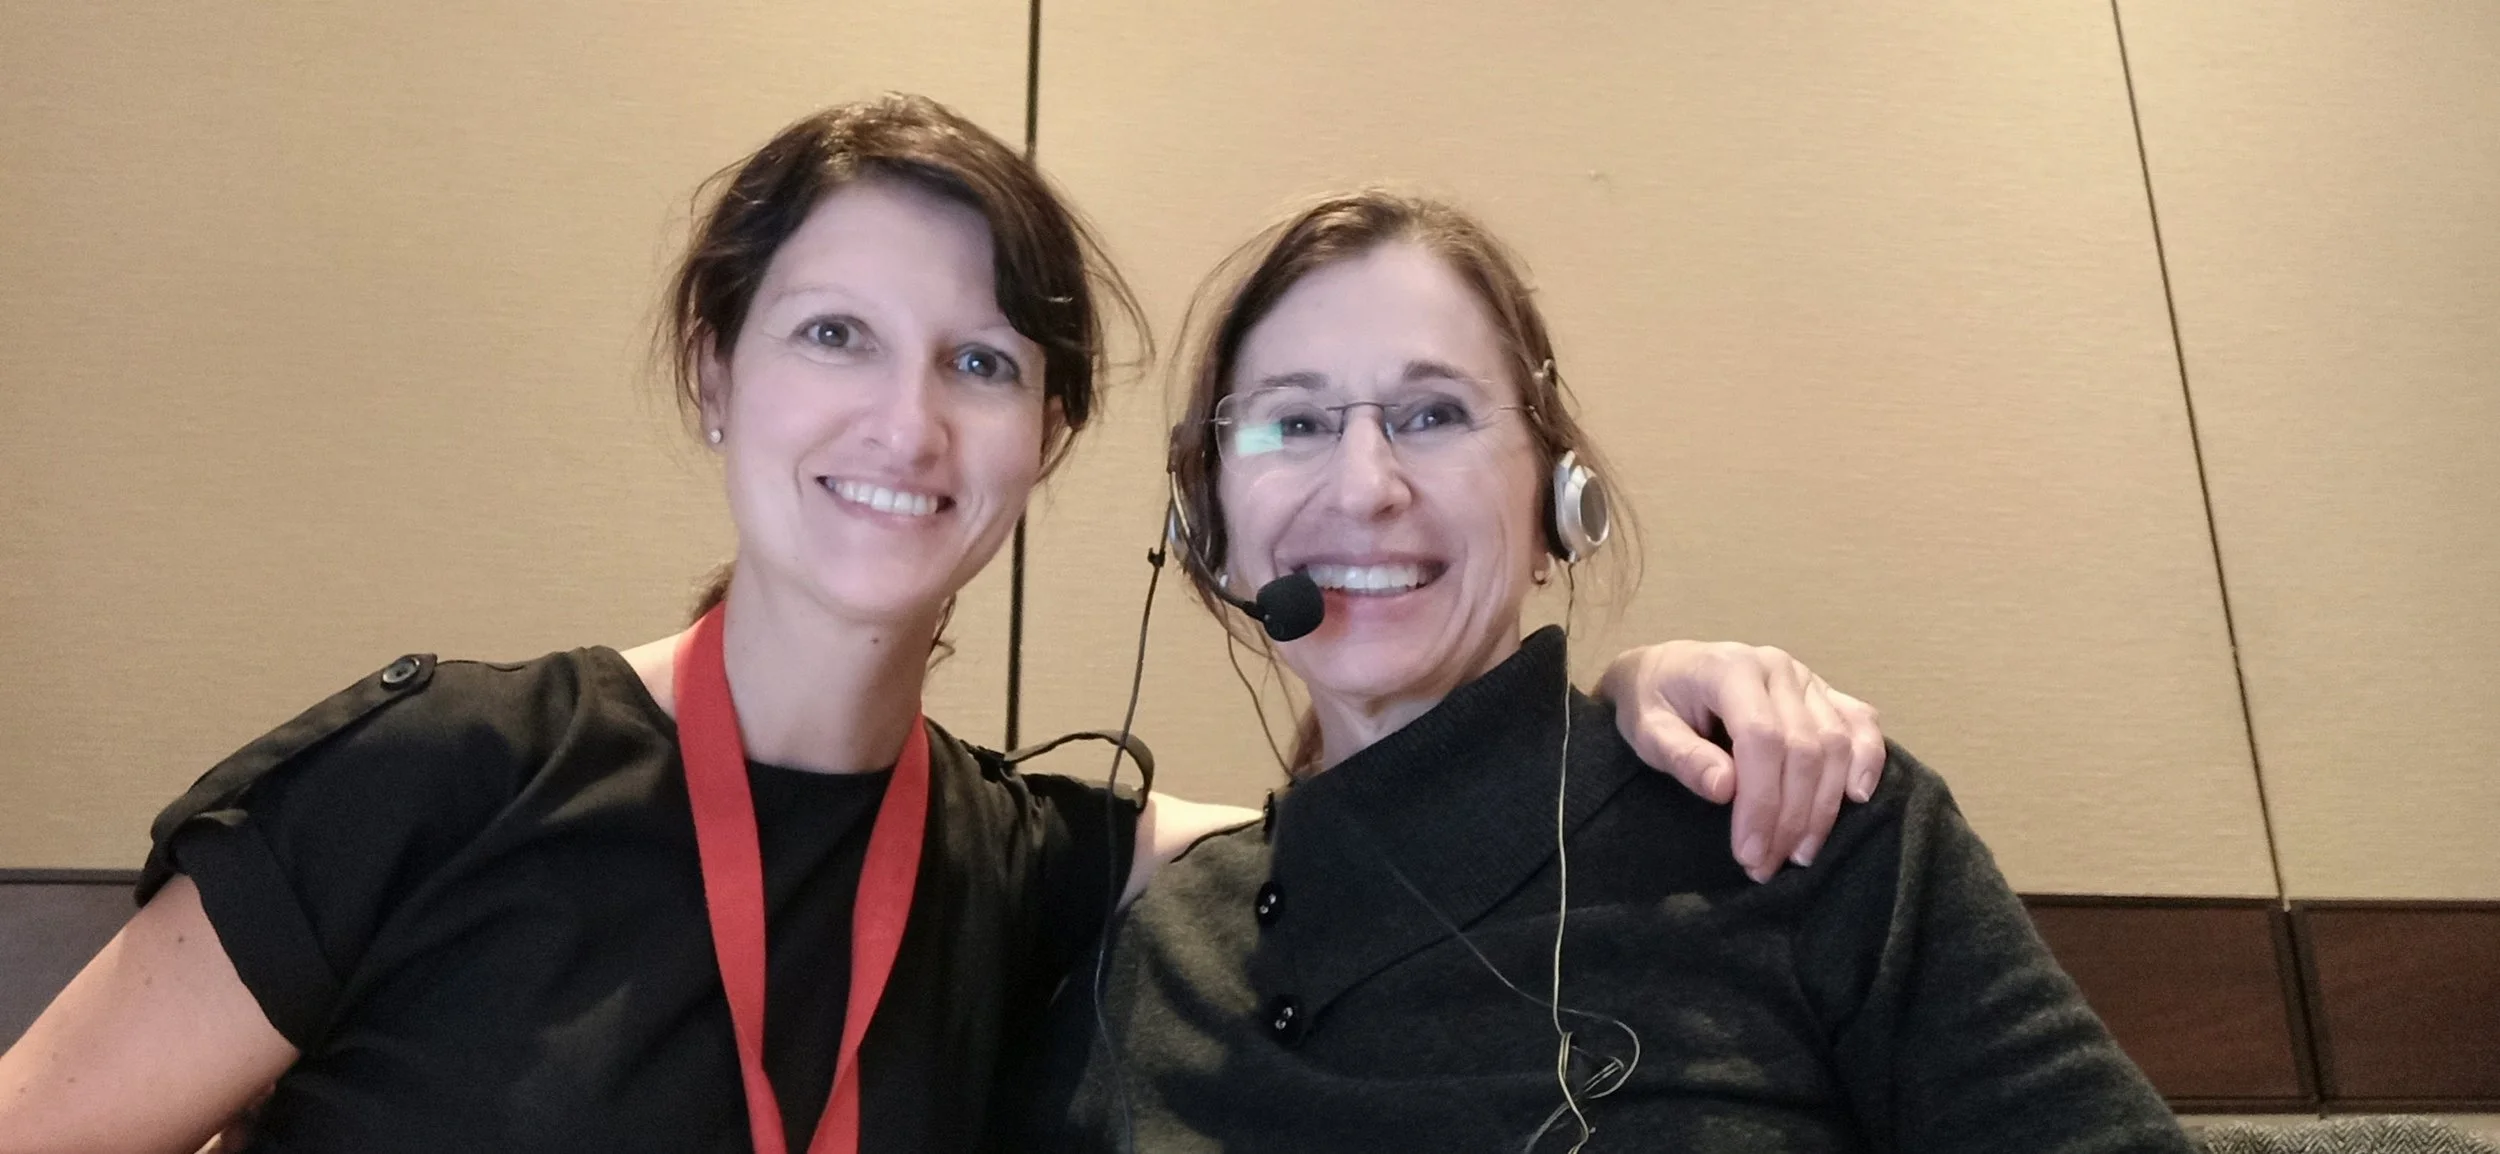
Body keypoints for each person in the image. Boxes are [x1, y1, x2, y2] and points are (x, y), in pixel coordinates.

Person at [0, 100, 1879, 1154]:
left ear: (1045, 435)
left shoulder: (1039, 871)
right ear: (714, 367)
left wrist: (1639, 704)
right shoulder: (445, 773)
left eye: (980, 362)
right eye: (834, 333)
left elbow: (1399, 807)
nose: (904, 425)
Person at [1003, 190, 2195, 1153]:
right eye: (1294, 422)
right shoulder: (1148, 949)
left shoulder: (1801, 822)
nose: (1365, 485)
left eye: (1431, 413)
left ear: (1555, 500)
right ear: (1207, 523)